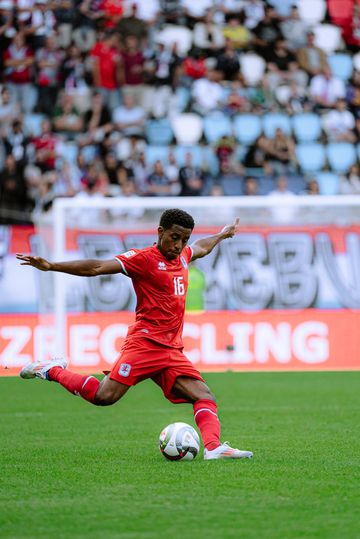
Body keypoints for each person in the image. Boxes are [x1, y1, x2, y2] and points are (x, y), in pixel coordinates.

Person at [17, 208, 253, 461]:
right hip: (145, 344)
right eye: (174, 237)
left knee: (204, 396)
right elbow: (97, 266)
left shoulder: (184, 255)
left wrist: (221, 235)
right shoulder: (143, 259)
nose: (179, 244)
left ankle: (213, 447)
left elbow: (201, 247)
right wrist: (52, 266)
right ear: (160, 232)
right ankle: (51, 369)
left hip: (171, 350)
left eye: (184, 239)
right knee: (103, 396)